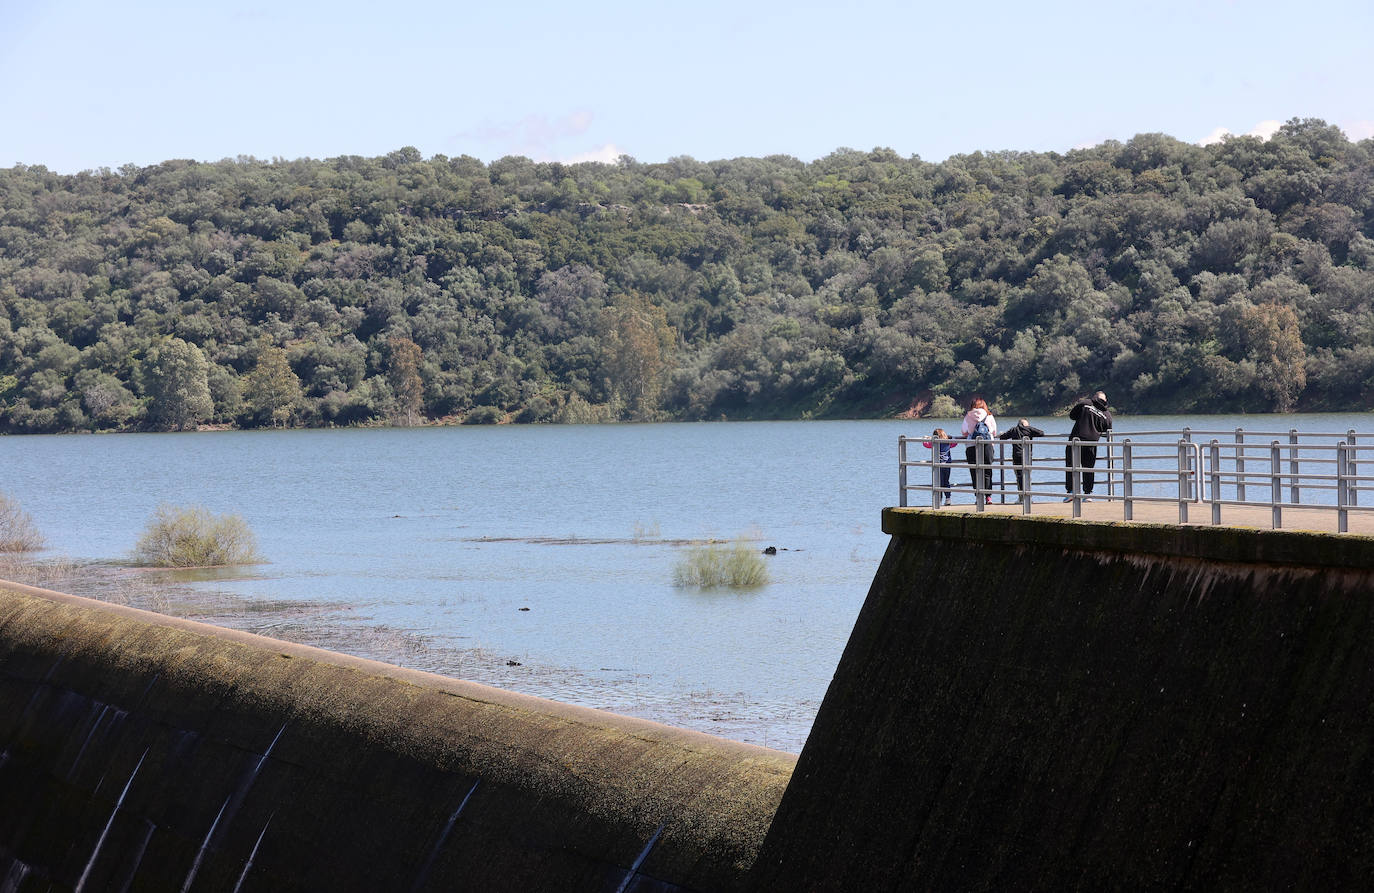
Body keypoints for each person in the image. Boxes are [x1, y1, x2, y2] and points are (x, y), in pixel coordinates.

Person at [1064, 391, 1113, 500]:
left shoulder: (1085, 403)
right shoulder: (1107, 414)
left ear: (1095, 397)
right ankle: (1088, 494)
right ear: (1105, 401)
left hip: (1076, 440)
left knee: (1071, 466)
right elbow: (1108, 431)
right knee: (1088, 468)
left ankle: (1072, 492)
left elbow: (1072, 415)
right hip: (1092, 443)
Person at [960, 397, 998, 503]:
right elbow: (994, 432)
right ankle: (988, 496)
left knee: (974, 471)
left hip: (972, 446)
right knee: (987, 470)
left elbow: (964, 432)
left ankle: (978, 497)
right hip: (987, 445)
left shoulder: (968, 416)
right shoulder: (989, 416)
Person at [999, 418, 1045, 500]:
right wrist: (1029, 429)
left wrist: (1001, 434)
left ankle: (1021, 497)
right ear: (1025, 424)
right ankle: (1028, 496)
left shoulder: (1013, 430)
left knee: (1019, 476)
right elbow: (1041, 433)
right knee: (1027, 476)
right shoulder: (1029, 429)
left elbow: (1003, 437)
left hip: (1017, 456)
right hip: (1027, 456)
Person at [921, 428, 954, 505]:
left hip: (938, 465)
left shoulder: (934, 442)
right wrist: (951, 437)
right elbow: (955, 443)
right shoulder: (948, 442)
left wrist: (925, 438)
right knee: (946, 482)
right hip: (947, 465)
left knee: (938, 482)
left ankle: (938, 500)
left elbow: (926, 444)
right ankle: (948, 498)